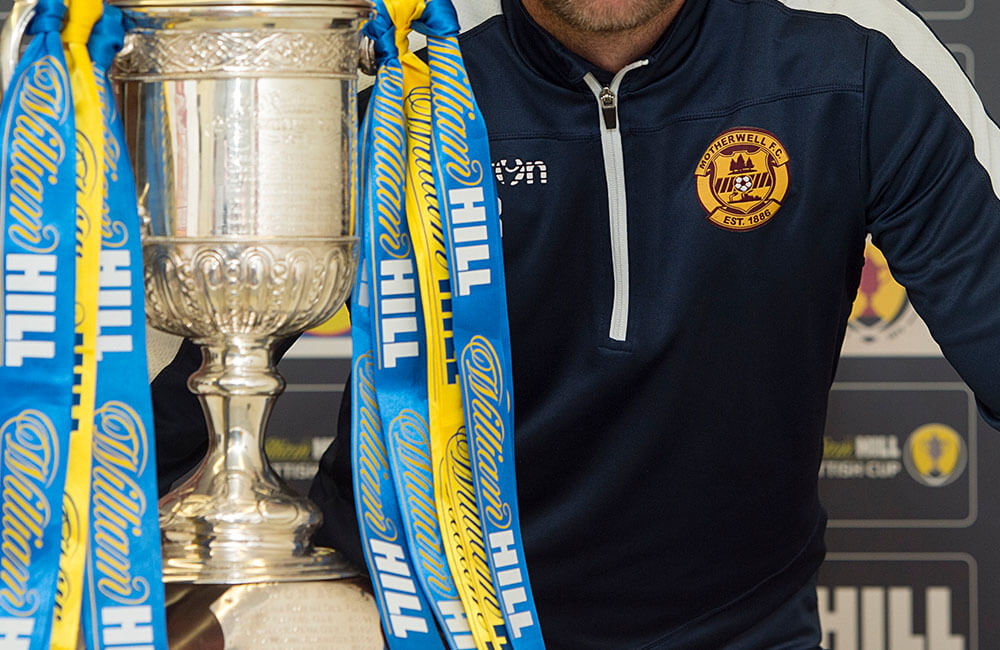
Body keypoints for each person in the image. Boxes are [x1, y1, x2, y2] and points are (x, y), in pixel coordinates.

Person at [153, 0, 1000, 647]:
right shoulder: (392, 55)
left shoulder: (850, 54)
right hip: (413, 621)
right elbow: (186, 372)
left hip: (737, 630)